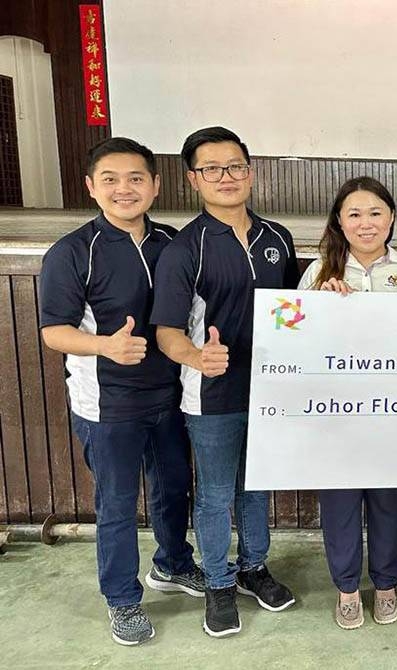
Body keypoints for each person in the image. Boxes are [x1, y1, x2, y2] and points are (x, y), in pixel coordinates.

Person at [38, 137, 203, 646]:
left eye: (136, 178)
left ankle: (173, 564)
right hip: (107, 404)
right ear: (91, 187)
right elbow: (53, 332)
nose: (124, 188)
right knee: (116, 503)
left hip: (170, 395)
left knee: (175, 487)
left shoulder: (172, 244)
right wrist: (103, 347)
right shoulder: (71, 252)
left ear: (155, 185)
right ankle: (123, 599)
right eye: (110, 179)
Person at [151, 126, 300, 638]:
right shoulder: (184, 249)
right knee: (215, 494)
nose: (225, 177)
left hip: (272, 391)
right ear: (194, 179)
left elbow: (299, 311)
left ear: (251, 171)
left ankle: (253, 568)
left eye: (235, 166)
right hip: (211, 394)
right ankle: (217, 582)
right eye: (211, 169)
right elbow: (167, 331)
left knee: (255, 488)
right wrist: (197, 355)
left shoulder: (277, 237)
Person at [298, 176, 397, 630]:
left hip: (394, 413)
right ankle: (347, 588)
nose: (366, 223)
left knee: (389, 500)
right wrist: (317, 307)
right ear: (339, 221)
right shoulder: (318, 272)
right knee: (340, 501)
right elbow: (295, 340)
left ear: (391, 217)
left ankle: (387, 584)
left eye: (375, 213)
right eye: (354, 214)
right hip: (336, 412)